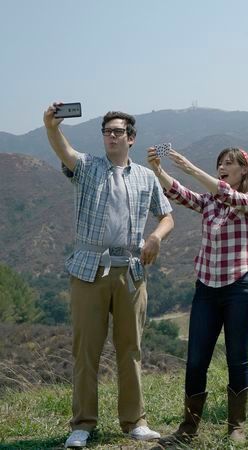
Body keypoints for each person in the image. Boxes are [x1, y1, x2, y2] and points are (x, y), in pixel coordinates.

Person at [43, 104, 174, 448]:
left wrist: (155, 237)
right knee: (86, 349)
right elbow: (64, 150)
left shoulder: (146, 177)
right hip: (89, 268)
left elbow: (167, 216)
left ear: (131, 139)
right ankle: (82, 424)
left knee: (131, 349)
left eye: (118, 131)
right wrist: (51, 126)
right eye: (107, 131)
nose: (111, 136)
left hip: (131, 270)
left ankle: (135, 421)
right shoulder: (87, 168)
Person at [148, 147, 248, 444]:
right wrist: (159, 171)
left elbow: (228, 195)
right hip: (206, 290)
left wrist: (191, 168)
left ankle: (236, 425)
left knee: (237, 359)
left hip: (240, 289)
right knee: (196, 360)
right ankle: (188, 427)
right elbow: (182, 194)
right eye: (220, 163)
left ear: (244, 170)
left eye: (229, 163)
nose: (222, 167)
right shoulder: (210, 202)